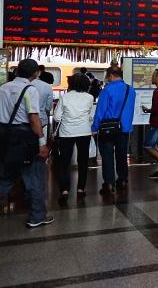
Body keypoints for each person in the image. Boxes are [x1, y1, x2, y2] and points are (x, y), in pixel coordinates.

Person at [0, 59, 53, 227]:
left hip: (5, 137)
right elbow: (34, 118)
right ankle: (37, 217)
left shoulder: (3, 88)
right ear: (35, 73)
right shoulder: (30, 90)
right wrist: (42, 142)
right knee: (34, 177)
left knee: (5, 176)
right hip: (24, 138)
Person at [92, 66, 135, 196]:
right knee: (122, 154)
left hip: (108, 128)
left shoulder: (107, 90)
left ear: (111, 76)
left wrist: (94, 127)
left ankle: (109, 184)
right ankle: (122, 180)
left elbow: (100, 111)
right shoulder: (130, 89)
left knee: (107, 155)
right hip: (124, 128)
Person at [53, 74, 94, 205]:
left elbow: (57, 117)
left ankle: (64, 190)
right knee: (83, 161)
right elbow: (89, 115)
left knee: (64, 163)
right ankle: (81, 188)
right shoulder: (89, 97)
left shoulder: (65, 97)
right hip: (84, 132)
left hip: (66, 133)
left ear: (71, 83)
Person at [30, 67, 54, 138]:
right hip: (41, 120)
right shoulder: (47, 87)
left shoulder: (28, 83)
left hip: (25, 121)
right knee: (40, 142)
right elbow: (48, 108)